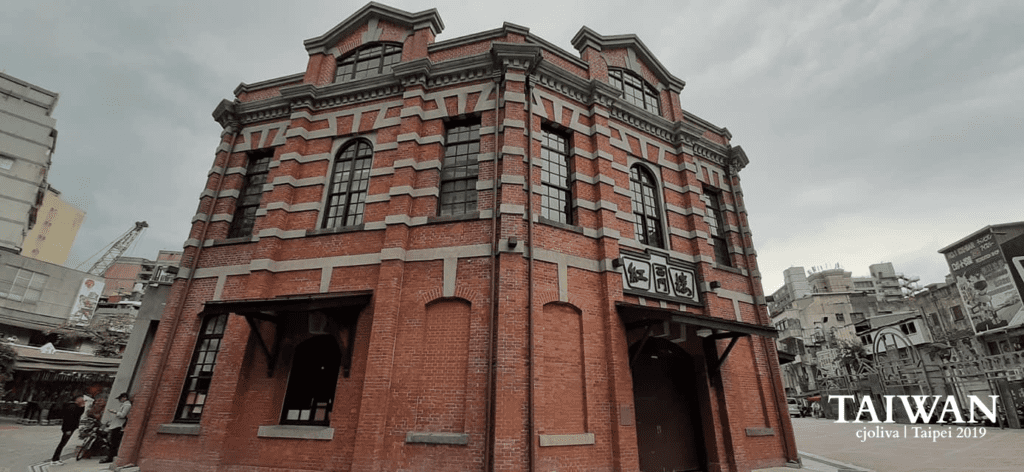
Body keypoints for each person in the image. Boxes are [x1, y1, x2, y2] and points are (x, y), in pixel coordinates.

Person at [50, 394, 86, 466]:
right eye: (81, 399)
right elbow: (68, 419)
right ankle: (54, 459)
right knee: (62, 444)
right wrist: (68, 429)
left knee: (63, 444)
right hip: (68, 428)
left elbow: (79, 414)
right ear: (77, 399)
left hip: (70, 428)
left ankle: (56, 458)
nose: (82, 400)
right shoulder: (71, 407)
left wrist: (82, 406)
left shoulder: (74, 406)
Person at [100, 392, 131, 464]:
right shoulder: (124, 405)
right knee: (112, 441)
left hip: (119, 425)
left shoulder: (127, 405)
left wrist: (114, 412)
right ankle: (111, 456)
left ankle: (111, 456)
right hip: (115, 424)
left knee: (113, 442)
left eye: (120, 398)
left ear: (124, 398)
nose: (119, 400)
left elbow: (123, 415)